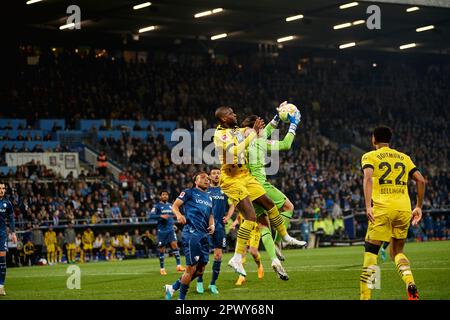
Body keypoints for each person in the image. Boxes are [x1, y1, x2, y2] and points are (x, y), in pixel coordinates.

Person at [213, 106, 305, 277]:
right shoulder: (220, 135)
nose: (235, 115)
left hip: (246, 176)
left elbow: (258, 132)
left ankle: (283, 237)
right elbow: (234, 151)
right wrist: (291, 124)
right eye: (231, 113)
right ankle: (238, 256)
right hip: (232, 179)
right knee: (256, 216)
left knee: (268, 209)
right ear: (224, 119)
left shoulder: (236, 130)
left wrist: (277, 117)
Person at [359, 126, 425, 300]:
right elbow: (421, 180)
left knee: (370, 253)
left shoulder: (369, 156)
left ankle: (365, 297)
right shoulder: (404, 158)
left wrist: (368, 206)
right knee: (396, 252)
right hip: (404, 209)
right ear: (389, 140)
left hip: (382, 208)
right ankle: (409, 282)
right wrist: (418, 206)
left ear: (374, 139)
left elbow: (367, 178)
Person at [241, 102, 305, 265]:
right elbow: (285, 144)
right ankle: (278, 242)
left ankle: (274, 259)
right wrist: (293, 125)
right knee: (288, 207)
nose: (264, 130)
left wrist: (277, 117)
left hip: (247, 188)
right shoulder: (258, 141)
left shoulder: (244, 141)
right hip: (260, 185)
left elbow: (265, 132)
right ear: (255, 127)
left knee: (263, 223)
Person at [164, 172, 214, 300]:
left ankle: (173, 287)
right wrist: (179, 215)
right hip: (192, 234)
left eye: (208, 178)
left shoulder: (209, 198)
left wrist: (212, 225)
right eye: (202, 178)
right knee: (191, 268)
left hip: (205, 235)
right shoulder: (189, 192)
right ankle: (181, 298)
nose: (206, 180)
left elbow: (211, 215)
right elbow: (174, 206)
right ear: (196, 181)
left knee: (201, 270)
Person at [196, 168, 235, 294]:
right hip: (205, 227)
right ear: (209, 176)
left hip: (219, 227)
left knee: (218, 256)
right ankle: (199, 281)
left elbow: (232, 205)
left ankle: (213, 284)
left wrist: (228, 217)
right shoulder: (205, 190)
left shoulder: (225, 190)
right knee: (203, 256)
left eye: (218, 173)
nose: (216, 175)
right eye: (214, 173)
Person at [151, 191, 185, 275]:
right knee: (162, 249)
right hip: (162, 231)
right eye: (163, 195)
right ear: (160, 196)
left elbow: (170, 217)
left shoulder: (170, 205)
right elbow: (151, 216)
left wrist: (172, 224)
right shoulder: (157, 206)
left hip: (170, 229)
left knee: (175, 246)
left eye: (166, 195)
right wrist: (160, 216)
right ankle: (162, 268)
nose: (165, 196)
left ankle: (179, 266)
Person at [232, 212, 265, 286]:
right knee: (242, 253)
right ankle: (241, 276)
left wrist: (261, 224)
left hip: (254, 231)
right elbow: (239, 217)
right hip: (244, 231)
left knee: (253, 252)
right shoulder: (242, 204)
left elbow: (263, 216)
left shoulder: (255, 204)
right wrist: (234, 223)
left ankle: (259, 265)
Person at [0, 183, 16, 296]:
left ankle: (1, 287)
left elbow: (11, 220)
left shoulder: (7, 203)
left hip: (1, 235)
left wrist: (13, 233)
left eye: (3, 188)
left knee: (2, 261)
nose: (1, 190)